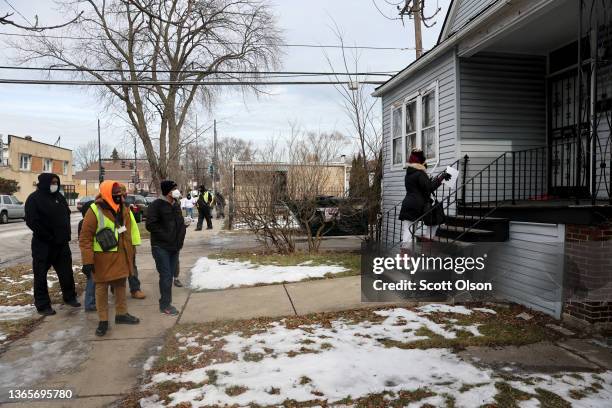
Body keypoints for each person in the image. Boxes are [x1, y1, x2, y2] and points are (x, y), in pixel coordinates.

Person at [79, 181, 141, 336]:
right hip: (102, 257)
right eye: (116, 196)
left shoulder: (123, 208)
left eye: (121, 195)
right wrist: (87, 261)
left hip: (120, 255)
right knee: (101, 289)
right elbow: (85, 238)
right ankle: (103, 321)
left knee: (121, 285)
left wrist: (131, 253)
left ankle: (121, 314)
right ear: (107, 194)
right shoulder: (94, 209)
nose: (120, 198)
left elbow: (126, 232)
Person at [25, 173, 80, 315]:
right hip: (43, 245)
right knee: (41, 275)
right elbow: (32, 221)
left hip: (61, 244)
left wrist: (65, 234)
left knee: (66, 273)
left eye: (56, 182)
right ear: (44, 183)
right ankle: (43, 305)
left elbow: (66, 214)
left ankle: (70, 297)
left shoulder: (59, 197)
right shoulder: (34, 199)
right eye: (52, 182)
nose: (55, 184)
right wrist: (48, 236)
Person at [146, 180, 187, 315]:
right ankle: (165, 305)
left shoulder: (176, 205)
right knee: (166, 275)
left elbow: (178, 223)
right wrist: (167, 236)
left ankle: (166, 302)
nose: (177, 191)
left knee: (171, 274)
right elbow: (150, 225)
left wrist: (182, 230)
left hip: (174, 247)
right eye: (174, 189)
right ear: (168, 192)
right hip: (161, 246)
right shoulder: (156, 205)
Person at [399, 149, 451, 245]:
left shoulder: (409, 174)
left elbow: (419, 187)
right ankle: (426, 247)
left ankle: (405, 258)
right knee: (433, 223)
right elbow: (429, 187)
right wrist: (441, 178)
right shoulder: (420, 173)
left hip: (408, 204)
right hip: (417, 205)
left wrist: (428, 179)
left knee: (407, 233)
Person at [119, 184, 146, 300]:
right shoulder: (113, 208)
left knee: (132, 267)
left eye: (124, 193)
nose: (124, 196)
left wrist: (134, 242)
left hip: (129, 243)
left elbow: (133, 226)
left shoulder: (126, 207)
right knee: (117, 268)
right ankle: (115, 288)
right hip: (117, 244)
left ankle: (135, 289)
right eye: (121, 194)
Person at [78, 200, 96, 312]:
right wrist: (87, 261)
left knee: (94, 279)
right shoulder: (85, 223)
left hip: (92, 254)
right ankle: (89, 303)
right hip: (91, 255)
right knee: (92, 279)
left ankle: (91, 302)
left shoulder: (84, 222)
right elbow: (85, 242)